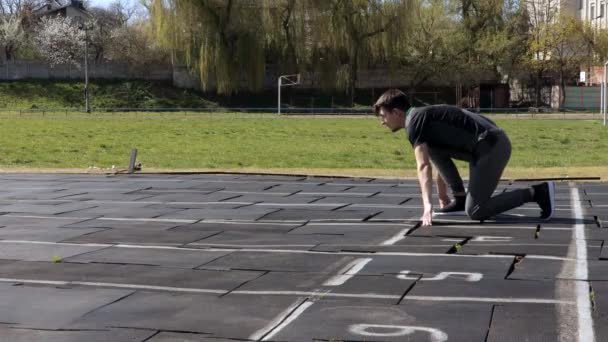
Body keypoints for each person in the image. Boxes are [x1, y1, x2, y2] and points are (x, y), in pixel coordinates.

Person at [373, 89, 555, 226]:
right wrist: (443, 196)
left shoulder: (414, 123)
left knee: (476, 210)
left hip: (491, 147)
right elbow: (435, 156)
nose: (382, 122)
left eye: (383, 116)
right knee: (432, 147)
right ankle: (460, 198)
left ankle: (536, 192)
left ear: (397, 112)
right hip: (485, 144)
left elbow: (423, 166)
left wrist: (427, 205)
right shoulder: (421, 116)